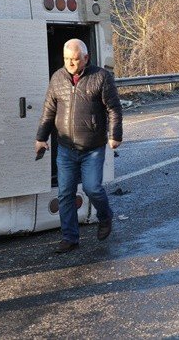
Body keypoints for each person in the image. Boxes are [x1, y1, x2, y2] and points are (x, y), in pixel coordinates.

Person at [35, 39, 122, 254]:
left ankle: (105, 216)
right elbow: (48, 110)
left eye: (75, 59)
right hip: (65, 147)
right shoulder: (57, 78)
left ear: (85, 58)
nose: (70, 64)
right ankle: (70, 238)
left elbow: (114, 108)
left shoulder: (101, 77)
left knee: (93, 188)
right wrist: (41, 137)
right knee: (65, 193)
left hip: (93, 147)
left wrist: (115, 135)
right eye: (67, 59)